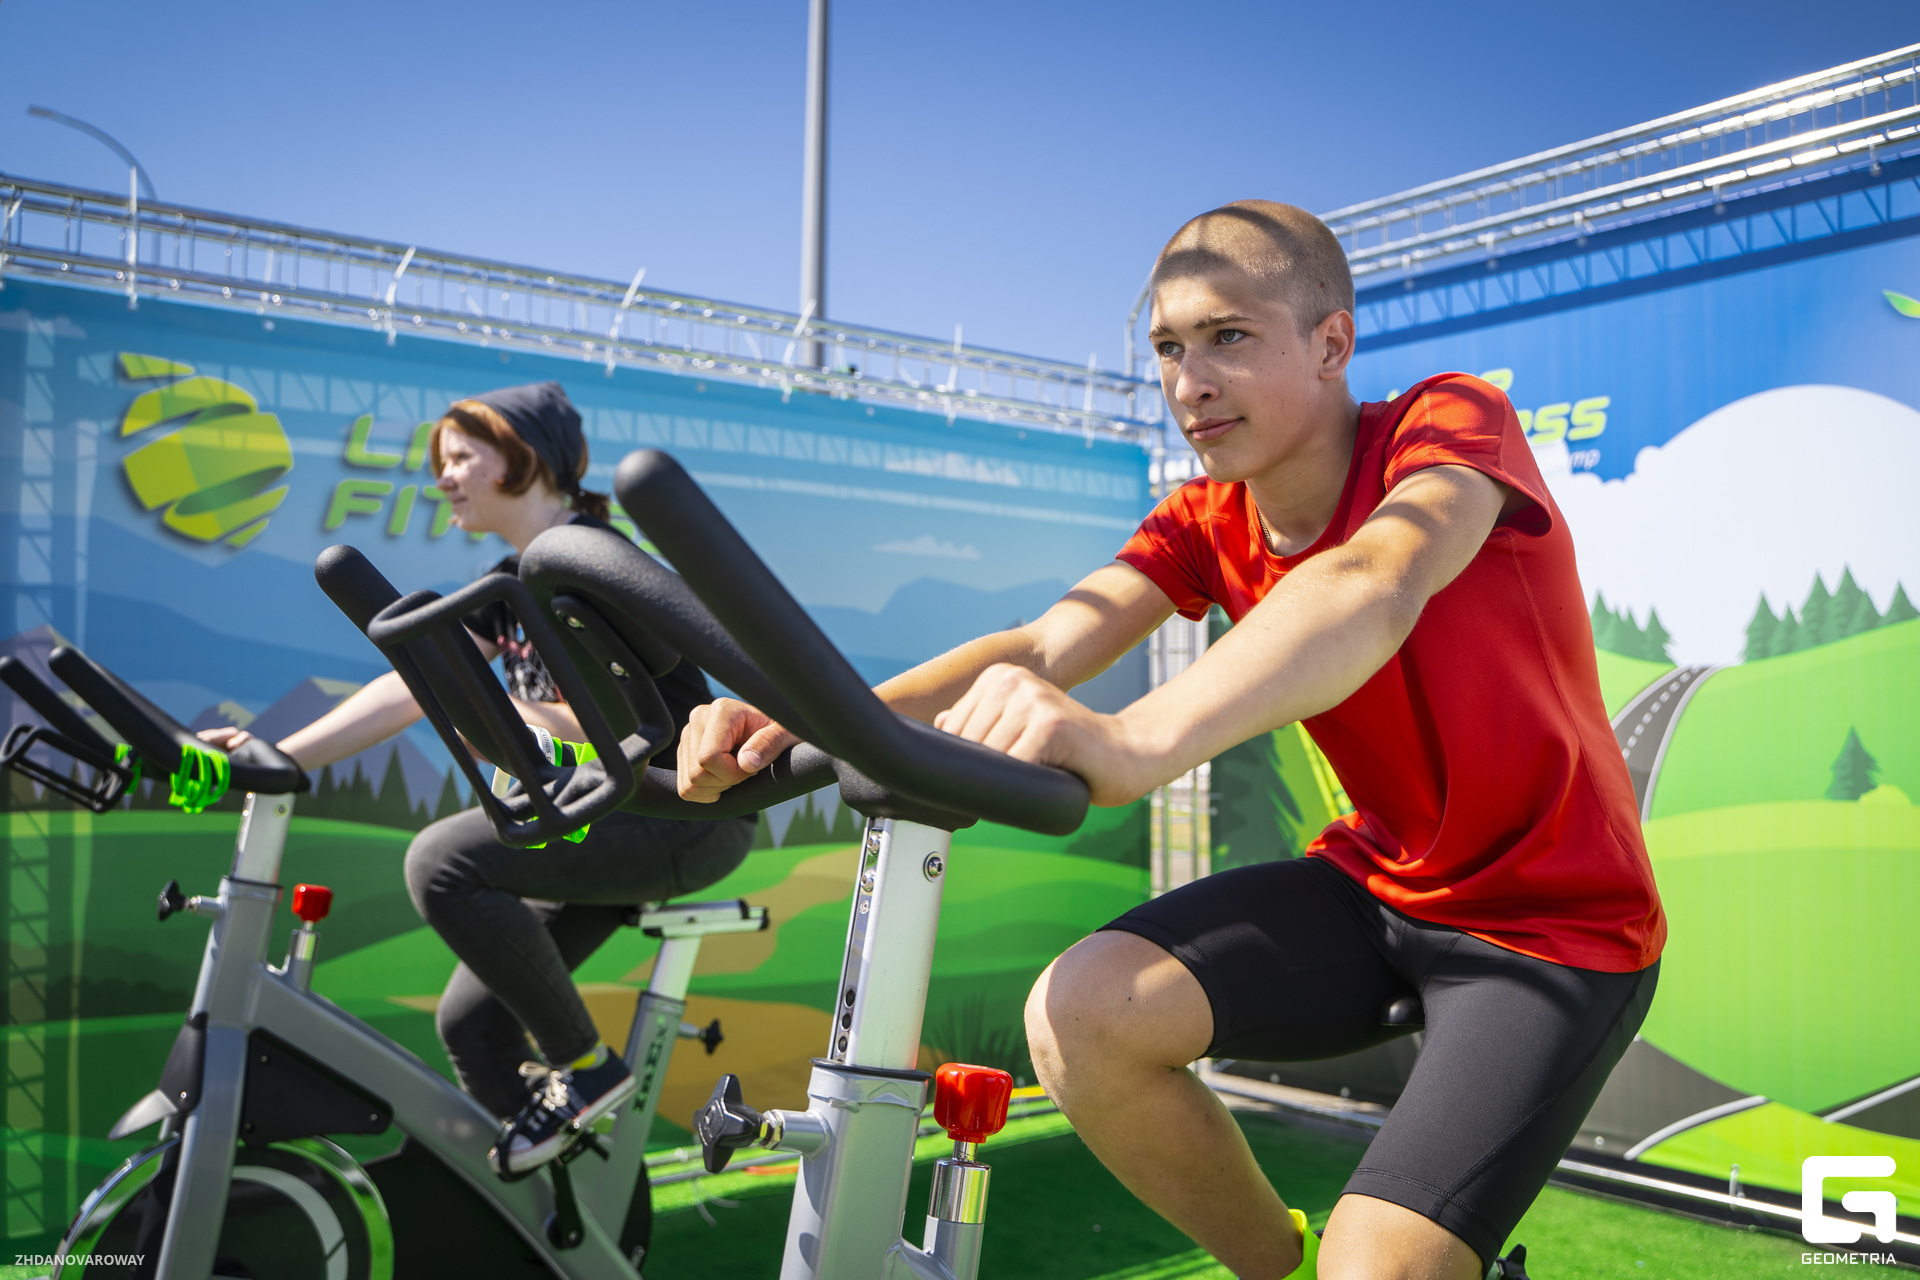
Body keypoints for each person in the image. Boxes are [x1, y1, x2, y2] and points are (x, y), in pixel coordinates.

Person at [674, 203, 1665, 1280]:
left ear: (1330, 343)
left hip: (1554, 924)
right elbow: (1047, 640)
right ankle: (1279, 1265)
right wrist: (808, 716)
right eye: (1168, 348)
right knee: (1081, 1016)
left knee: (1377, 1265)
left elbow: (1374, 580)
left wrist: (1137, 739)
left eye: (1227, 336)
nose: (1189, 382)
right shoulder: (1204, 517)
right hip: (1376, 887)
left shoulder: (1445, 424)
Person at [201, 382, 755, 1176]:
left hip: (682, 817)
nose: (445, 476)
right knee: (473, 1024)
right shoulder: (510, 582)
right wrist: (278, 755)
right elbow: (410, 687)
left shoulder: (595, 561)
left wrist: (497, 714)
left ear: (522, 458)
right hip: (594, 814)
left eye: (461, 456)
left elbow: (634, 726)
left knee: (441, 862)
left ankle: (588, 1068)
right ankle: (557, 1205)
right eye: (443, 461)